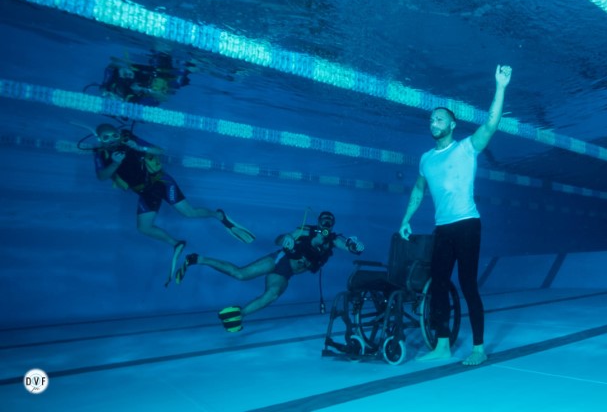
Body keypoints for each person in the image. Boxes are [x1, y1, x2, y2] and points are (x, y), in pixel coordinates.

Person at [399, 65, 513, 366]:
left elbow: (490, 124)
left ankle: (478, 348)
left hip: (467, 225)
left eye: (439, 119)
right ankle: (442, 345)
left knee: (468, 284)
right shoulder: (425, 158)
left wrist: (500, 87)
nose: (433, 122)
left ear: (451, 125)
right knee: (437, 284)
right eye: (431, 119)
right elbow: (418, 191)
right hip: (443, 229)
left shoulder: (466, 149)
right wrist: (405, 219)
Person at [93, 123, 255, 285]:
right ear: (100, 139)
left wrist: (138, 147)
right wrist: (115, 163)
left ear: (119, 134)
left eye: (114, 135)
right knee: (143, 228)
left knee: (189, 213)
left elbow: (159, 151)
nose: (112, 140)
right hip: (144, 192)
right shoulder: (100, 153)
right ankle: (176, 243)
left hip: (161, 182)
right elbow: (101, 177)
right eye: (106, 138)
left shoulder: (129, 140)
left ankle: (219, 215)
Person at [175, 211, 365, 332]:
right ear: (318, 222)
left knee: (272, 295)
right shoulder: (307, 231)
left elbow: (348, 245)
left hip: (286, 274)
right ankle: (198, 259)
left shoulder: (333, 240)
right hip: (279, 260)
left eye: (329, 222)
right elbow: (280, 238)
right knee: (241, 274)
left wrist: (355, 246)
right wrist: (286, 240)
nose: (326, 225)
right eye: (324, 221)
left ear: (332, 225)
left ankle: (237, 316)